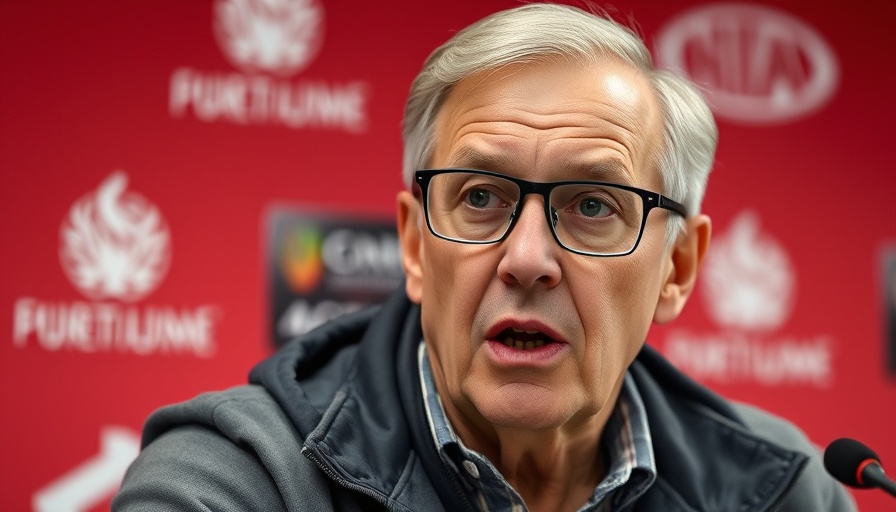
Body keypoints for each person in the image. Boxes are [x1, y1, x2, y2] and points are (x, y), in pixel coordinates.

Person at [113, 4, 855, 511]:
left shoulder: (785, 494)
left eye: (593, 206)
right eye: (479, 198)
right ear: (413, 244)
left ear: (678, 268)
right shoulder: (238, 483)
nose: (527, 259)